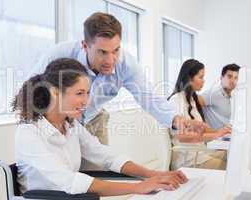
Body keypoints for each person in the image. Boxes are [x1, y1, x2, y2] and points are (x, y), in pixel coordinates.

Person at [33, 12, 206, 169]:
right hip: (57, 121)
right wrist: (48, 125)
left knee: (97, 175)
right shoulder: (59, 55)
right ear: (85, 45)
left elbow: (148, 98)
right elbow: (32, 91)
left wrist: (176, 120)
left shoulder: (126, 64)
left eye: (116, 50)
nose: (111, 60)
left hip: (94, 119)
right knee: (59, 175)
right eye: (102, 52)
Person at [12, 58, 188, 196]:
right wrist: (138, 187)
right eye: (79, 93)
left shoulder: (71, 126)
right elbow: (69, 181)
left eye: (87, 93)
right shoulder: (29, 132)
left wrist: (152, 174)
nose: (86, 101)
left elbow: (106, 156)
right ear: (55, 92)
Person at [167, 59, 231, 170]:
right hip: (188, 161)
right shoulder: (176, 100)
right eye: (201, 77)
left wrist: (223, 132)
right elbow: (182, 136)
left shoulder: (192, 100)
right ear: (189, 79)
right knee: (231, 166)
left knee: (232, 156)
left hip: (200, 154)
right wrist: (216, 135)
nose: (203, 81)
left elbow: (202, 129)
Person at [199, 64, 241, 130]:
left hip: (227, 136)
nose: (233, 81)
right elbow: (192, 103)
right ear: (221, 78)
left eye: (236, 78)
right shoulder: (214, 93)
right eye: (229, 77)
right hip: (215, 138)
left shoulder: (234, 96)